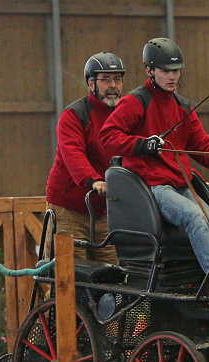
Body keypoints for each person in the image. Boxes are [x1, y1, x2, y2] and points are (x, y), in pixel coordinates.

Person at [100, 37, 209, 276]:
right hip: (153, 187)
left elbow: (202, 145)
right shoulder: (135, 102)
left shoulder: (182, 106)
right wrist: (142, 145)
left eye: (176, 71)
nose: (173, 77)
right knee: (195, 218)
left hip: (181, 184)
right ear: (150, 71)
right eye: (166, 71)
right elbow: (107, 137)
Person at [46, 52, 126, 264]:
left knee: (112, 274)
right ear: (91, 83)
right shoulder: (74, 115)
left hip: (106, 211)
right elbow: (73, 154)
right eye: (106, 79)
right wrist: (94, 180)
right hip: (70, 209)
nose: (113, 85)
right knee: (68, 276)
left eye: (118, 79)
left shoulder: (126, 114)